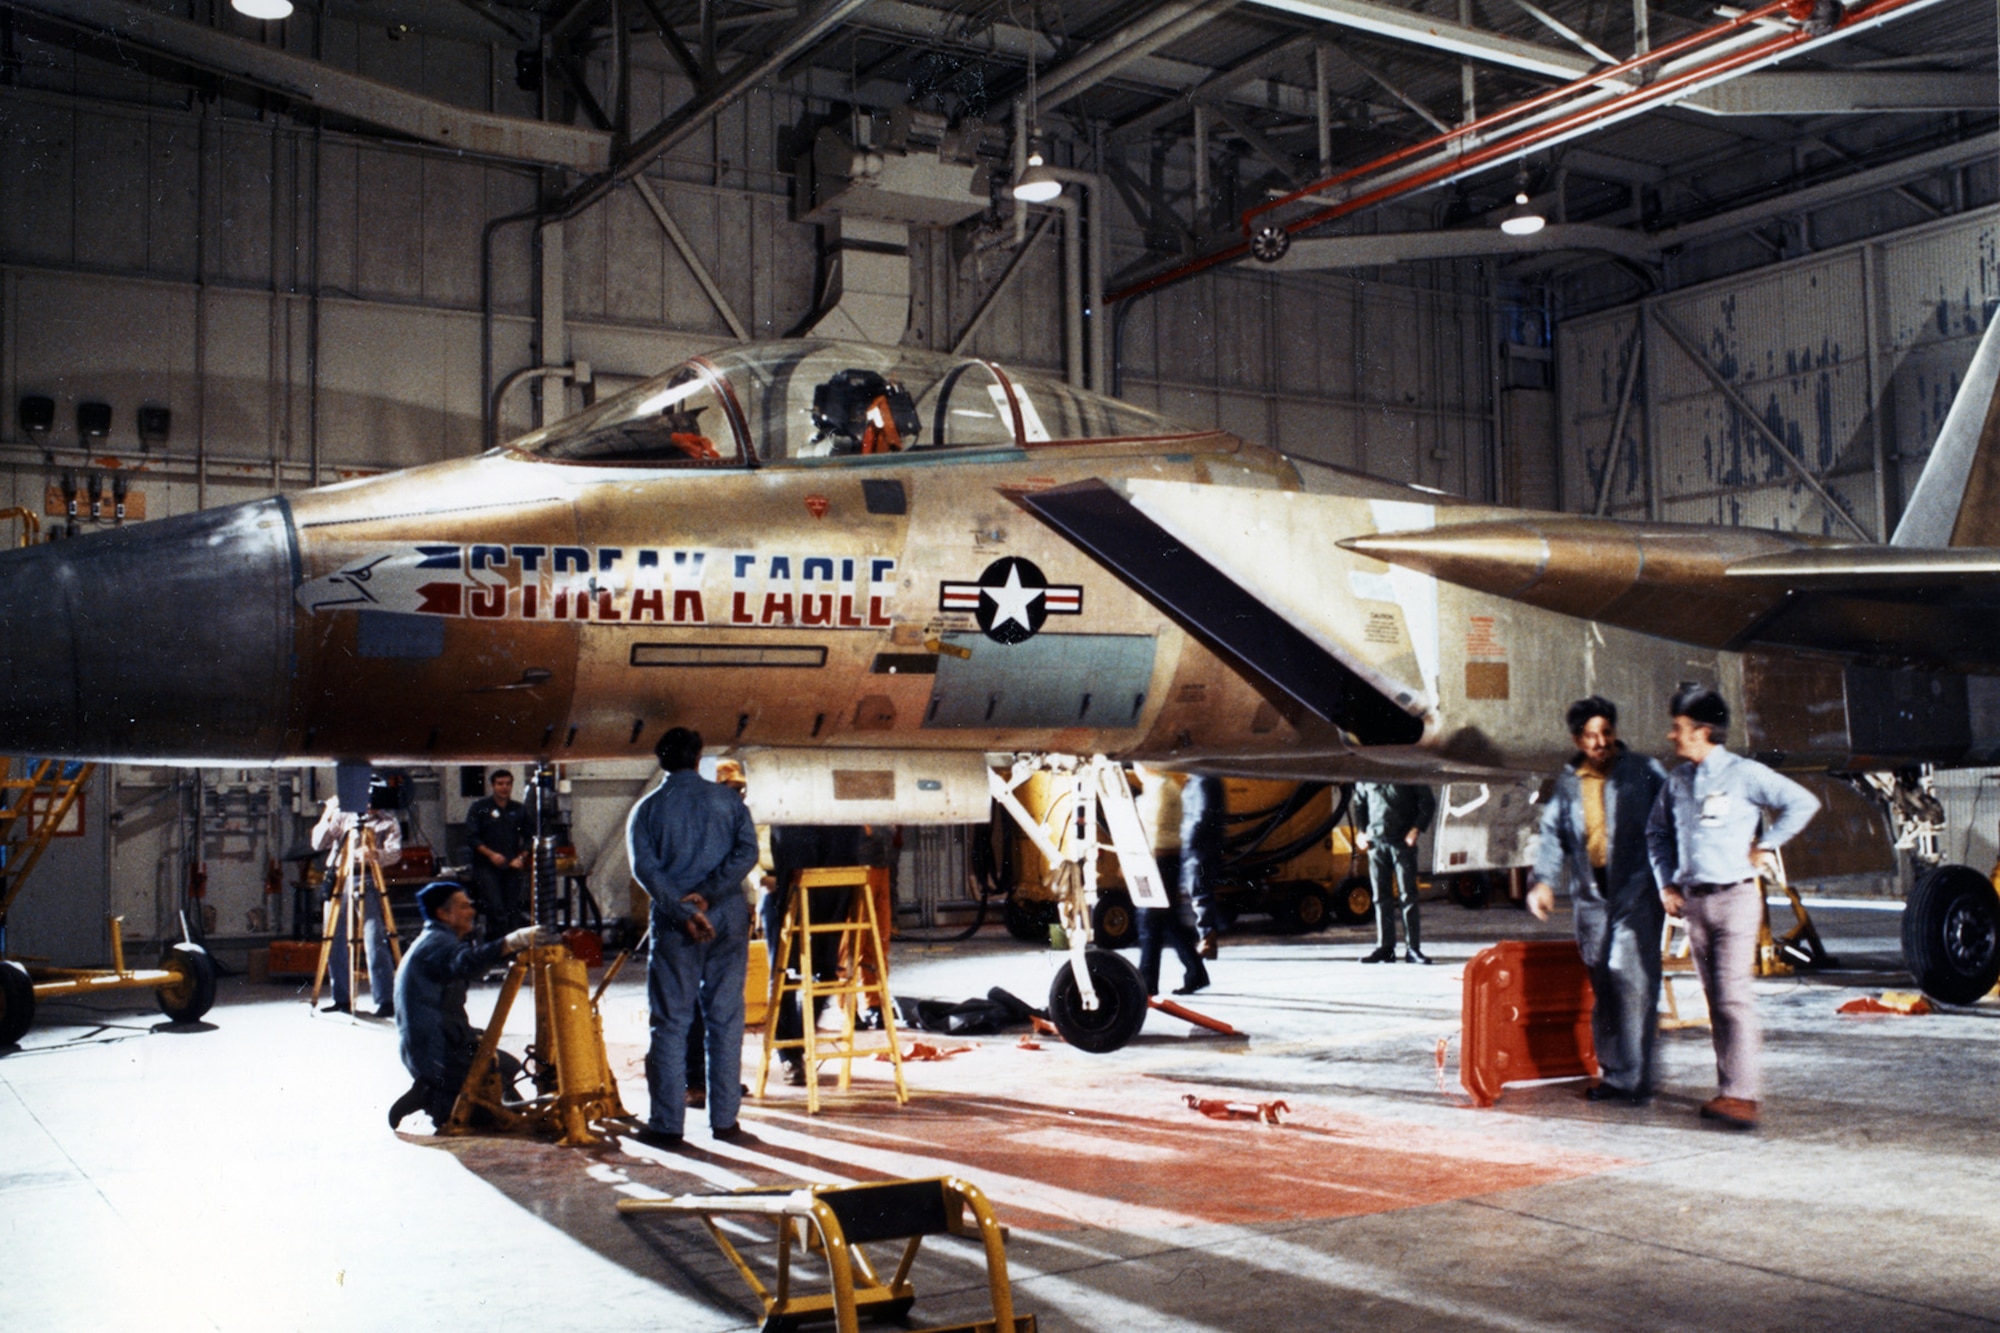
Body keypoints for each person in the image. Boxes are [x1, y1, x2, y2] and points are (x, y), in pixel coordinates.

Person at [1645, 685, 1819, 1131]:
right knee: (1716, 1000)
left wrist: (1767, 844)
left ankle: (1742, 1095)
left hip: (1737, 898)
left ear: (1703, 731)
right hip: (1695, 906)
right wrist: (1666, 883)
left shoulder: (1745, 774)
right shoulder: (1678, 782)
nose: (1672, 736)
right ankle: (1730, 1090)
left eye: (1679, 728)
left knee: (1733, 998)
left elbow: (1802, 802)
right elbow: (1656, 834)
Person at [1528, 697, 1670, 1104]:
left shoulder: (1644, 771)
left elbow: (1672, 819)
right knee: (1604, 985)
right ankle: (1616, 1075)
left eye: (1606, 733)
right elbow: (1554, 834)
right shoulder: (1570, 780)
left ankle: (1638, 1078)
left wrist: (1673, 880)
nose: (1601, 742)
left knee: (1631, 978)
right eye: (1591, 736)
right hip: (1591, 899)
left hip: (1637, 892)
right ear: (1578, 739)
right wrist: (1543, 882)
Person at [626, 727, 760, 1148]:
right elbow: (747, 853)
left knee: (670, 1023)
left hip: (674, 924)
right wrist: (712, 893)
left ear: (660, 759)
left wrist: (685, 910)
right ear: (699, 755)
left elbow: (646, 871)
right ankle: (725, 1122)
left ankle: (668, 1127)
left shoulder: (646, 809)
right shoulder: (728, 801)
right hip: (727, 917)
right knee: (725, 1018)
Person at [388, 881, 552, 1131]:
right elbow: (467, 962)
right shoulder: (437, 944)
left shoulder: (432, 941)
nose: (471, 911)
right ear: (443, 914)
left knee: (506, 1064)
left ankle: (434, 1091)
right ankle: (436, 1096)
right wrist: (512, 941)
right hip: (437, 1054)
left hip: (430, 1048)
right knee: (495, 1113)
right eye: (463, 906)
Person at [762, 824, 869, 1086]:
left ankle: (798, 1044)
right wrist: (761, 872)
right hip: (782, 882)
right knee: (783, 972)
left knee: (825, 970)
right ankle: (790, 1054)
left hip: (831, 879)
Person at [313, 786, 403, 1016]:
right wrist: (328, 814)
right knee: (335, 937)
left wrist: (376, 854)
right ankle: (341, 998)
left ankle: (384, 999)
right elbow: (318, 843)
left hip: (368, 877)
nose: (370, 806)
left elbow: (395, 852)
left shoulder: (388, 821)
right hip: (340, 877)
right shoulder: (344, 815)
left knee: (375, 938)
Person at [1134, 765, 1209, 996]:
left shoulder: (1159, 788)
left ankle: (1146, 982)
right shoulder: (1167, 785)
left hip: (1157, 859)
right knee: (1166, 921)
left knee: (1149, 921)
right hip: (1165, 859)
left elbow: (1153, 828)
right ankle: (1195, 972)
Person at [1352, 781, 1437, 964]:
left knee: (1408, 895)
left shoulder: (1405, 768)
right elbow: (1359, 803)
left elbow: (1427, 802)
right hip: (1376, 843)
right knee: (1380, 897)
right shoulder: (1366, 774)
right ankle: (1385, 947)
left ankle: (1413, 949)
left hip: (1402, 843)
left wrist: (1416, 829)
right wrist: (1360, 831)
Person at [466, 769, 531, 936]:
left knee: (513, 909)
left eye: (508, 784)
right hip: (486, 866)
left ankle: (512, 949)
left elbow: (530, 837)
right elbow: (472, 838)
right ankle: (495, 949)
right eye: (500, 784)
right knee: (495, 908)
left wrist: (521, 857)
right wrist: (491, 855)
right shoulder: (479, 808)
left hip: (512, 866)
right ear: (492, 786)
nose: (504, 787)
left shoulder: (518, 810)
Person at [1179, 774, 1228, 959]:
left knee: (1200, 893)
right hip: (1200, 847)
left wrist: (1186, 843)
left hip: (1199, 849)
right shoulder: (1200, 780)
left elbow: (1202, 816)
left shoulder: (1203, 780)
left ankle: (1207, 940)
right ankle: (1208, 936)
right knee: (1200, 892)